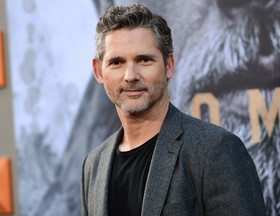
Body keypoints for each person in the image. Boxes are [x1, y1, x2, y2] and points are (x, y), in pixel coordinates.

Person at [81, 4, 267, 216]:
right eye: (117, 62)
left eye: (144, 60)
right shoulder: (93, 165)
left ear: (169, 65)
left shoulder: (216, 150)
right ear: (98, 71)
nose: (130, 75)